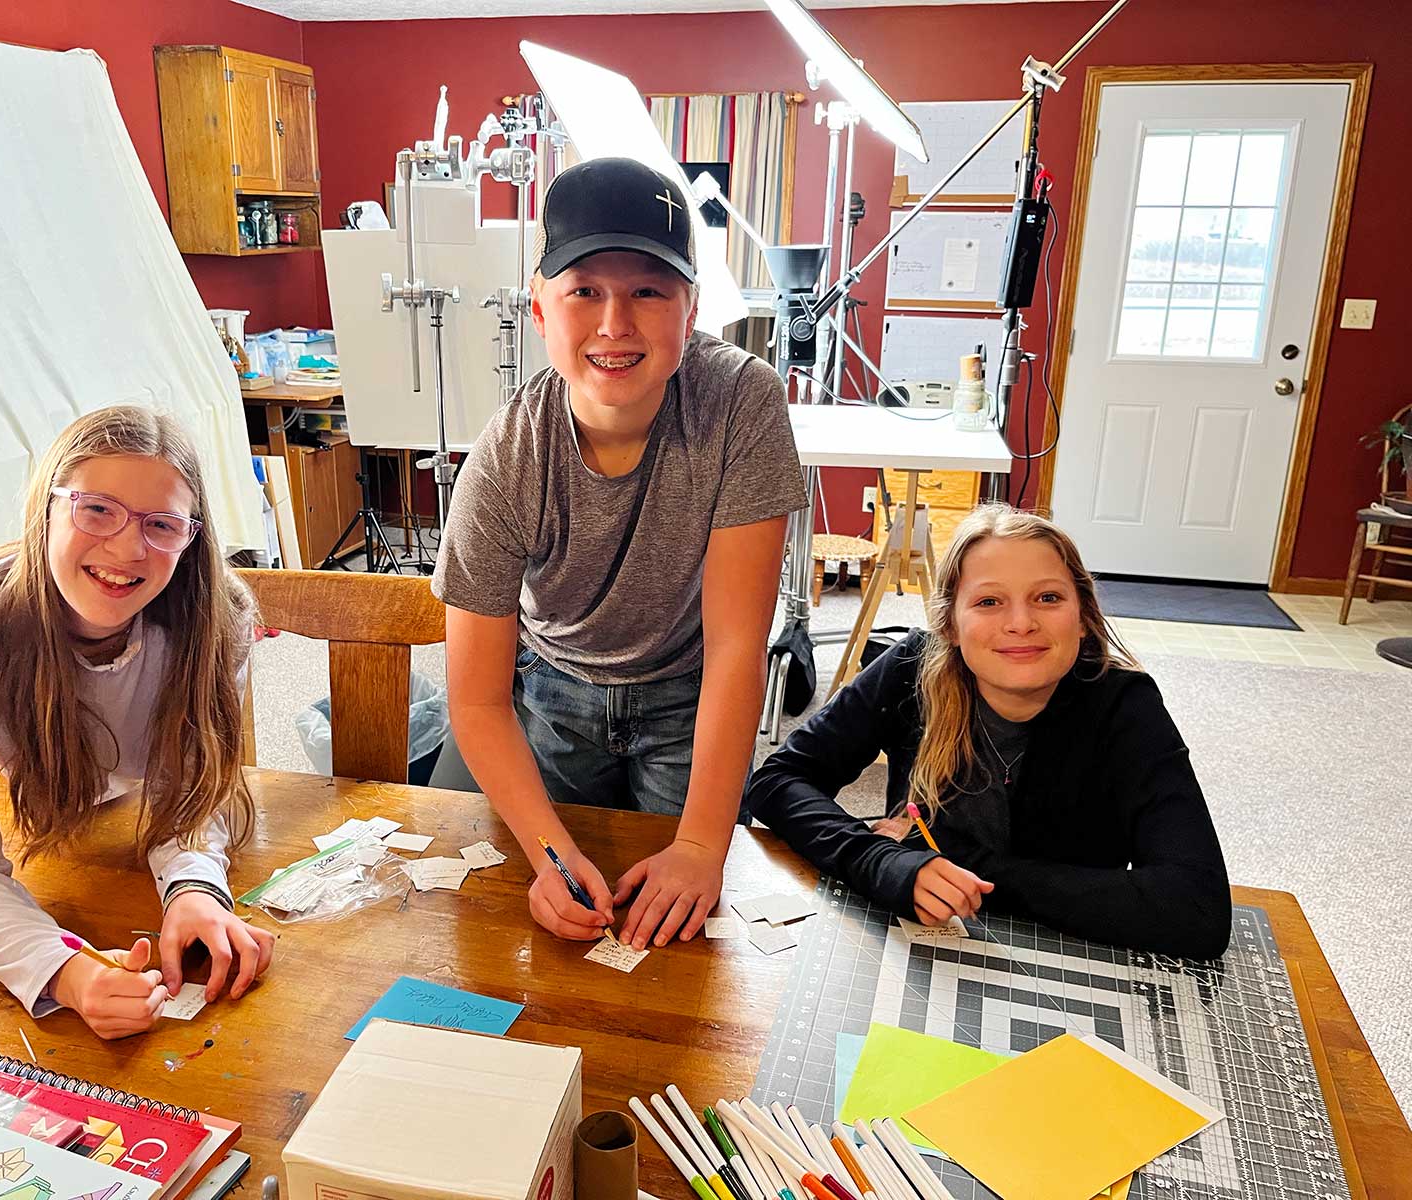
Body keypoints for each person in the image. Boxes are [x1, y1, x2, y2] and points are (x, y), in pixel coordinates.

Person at [434, 157, 807, 953]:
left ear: (692, 309)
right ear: (540, 308)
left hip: (690, 693)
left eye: (648, 291)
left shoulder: (743, 402)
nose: (614, 324)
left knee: (685, 932)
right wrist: (550, 853)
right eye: (584, 292)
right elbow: (477, 700)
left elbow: (738, 646)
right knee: (535, 911)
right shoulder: (507, 456)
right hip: (552, 691)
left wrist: (701, 846)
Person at [0, 406, 275, 1039]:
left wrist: (196, 889)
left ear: (191, 538)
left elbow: (191, 791)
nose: (126, 548)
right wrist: (65, 972)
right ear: (46, 508)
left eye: (161, 524)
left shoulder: (218, 619)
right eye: (96, 509)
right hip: (60, 847)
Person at [746, 503, 1231, 959]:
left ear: (1083, 617)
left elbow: (1197, 908)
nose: (1020, 623)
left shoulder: (1124, 705)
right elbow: (777, 781)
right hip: (923, 950)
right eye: (989, 601)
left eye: (1047, 598)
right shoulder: (912, 669)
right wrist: (879, 859)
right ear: (950, 625)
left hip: (1070, 956)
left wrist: (959, 861)